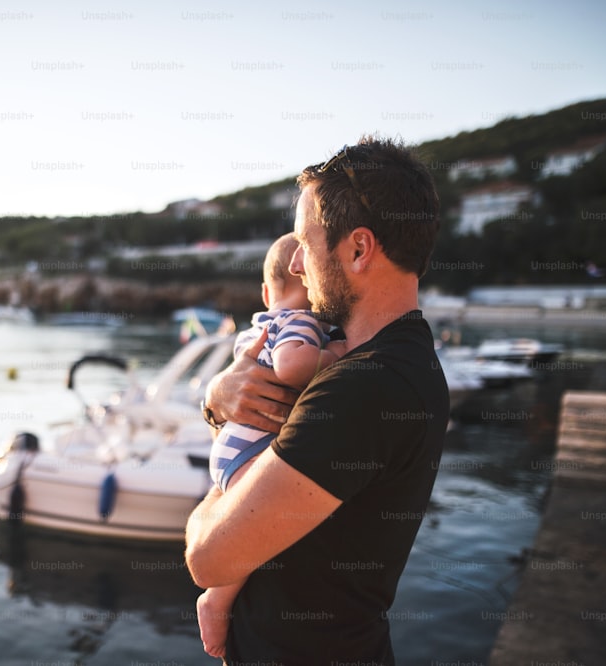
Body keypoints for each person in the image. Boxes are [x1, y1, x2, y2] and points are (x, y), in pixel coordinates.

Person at [185, 136, 449, 665]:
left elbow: (208, 558)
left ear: (358, 249)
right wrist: (219, 401)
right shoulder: (401, 359)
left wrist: (214, 472)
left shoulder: (363, 387)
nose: (298, 264)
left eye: (307, 242)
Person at [199, 232, 347, 658]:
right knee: (246, 534)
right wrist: (337, 355)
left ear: (265, 292)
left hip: (231, 444)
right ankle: (217, 597)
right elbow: (291, 364)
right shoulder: (301, 322)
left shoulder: (257, 327)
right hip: (252, 450)